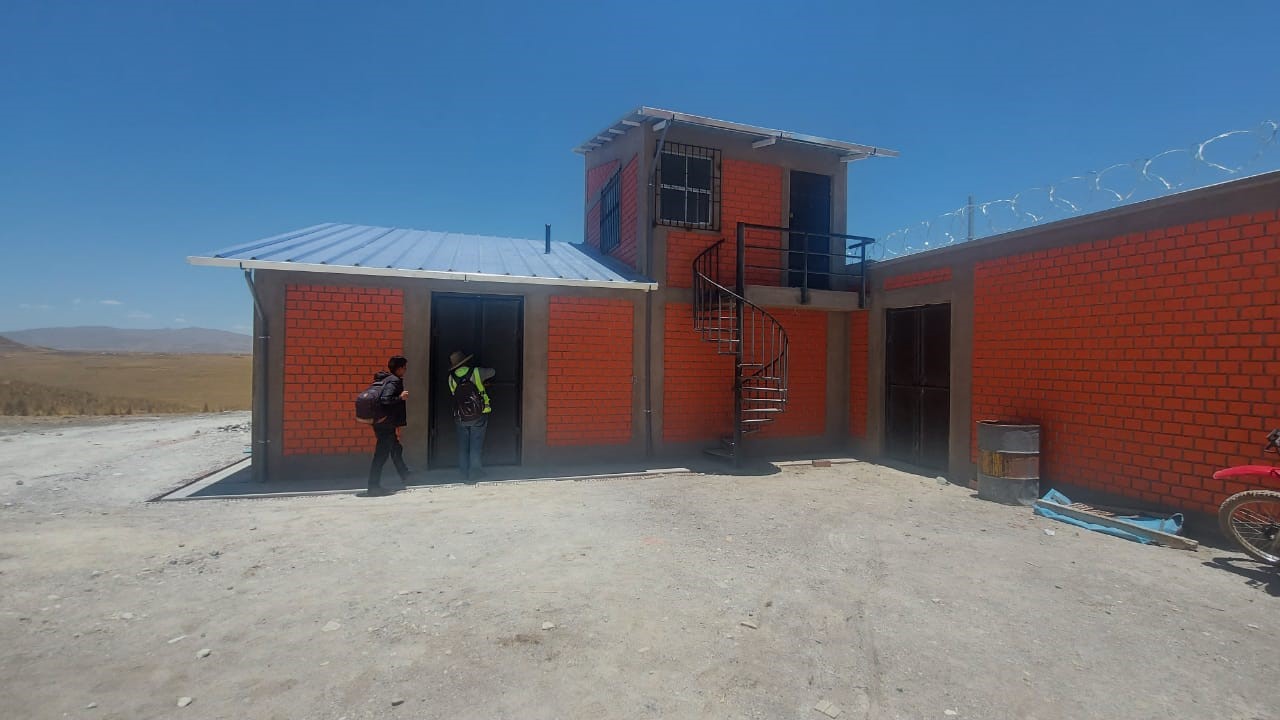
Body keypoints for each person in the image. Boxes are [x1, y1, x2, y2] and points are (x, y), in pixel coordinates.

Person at [366, 355, 410, 497]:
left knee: (396, 448)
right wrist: (400, 397)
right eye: (404, 367)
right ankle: (373, 486)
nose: (405, 370)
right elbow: (386, 399)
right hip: (385, 424)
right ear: (399, 368)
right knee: (381, 455)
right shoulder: (394, 381)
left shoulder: (386, 380)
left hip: (382, 423)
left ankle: (405, 475)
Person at [448, 350, 492, 482]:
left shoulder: (451, 378)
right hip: (479, 414)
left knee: (463, 446)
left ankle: (463, 472)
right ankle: (475, 473)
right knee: (475, 445)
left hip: (461, 416)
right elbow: (493, 372)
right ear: (465, 361)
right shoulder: (477, 372)